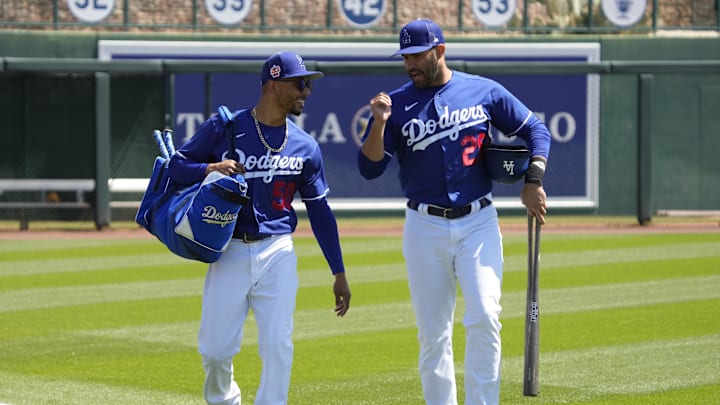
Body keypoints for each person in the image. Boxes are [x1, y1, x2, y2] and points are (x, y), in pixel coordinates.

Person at [357, 19, 551, 405]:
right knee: (433, 334)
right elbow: (369, 168)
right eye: (405, 56)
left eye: (417, 55)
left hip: (478, 221)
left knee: (484, 317)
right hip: (423, 225)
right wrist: (378, 125)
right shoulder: (396, 105)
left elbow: (536, 130)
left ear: (440, 50)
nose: (409, 63)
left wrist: (533, 179)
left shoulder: (482, 90)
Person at [169, 51, 352, 405]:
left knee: (278, 345)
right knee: (216, 350)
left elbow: (320, 212)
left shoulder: (305, 146)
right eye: (300, 83)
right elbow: (177, 167)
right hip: (229, 249)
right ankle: (225, 400)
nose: (306, 91)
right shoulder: (226, 127)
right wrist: (209, 169)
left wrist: (338, 271)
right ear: (273, 85)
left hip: (277, 251)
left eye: (308, 84)